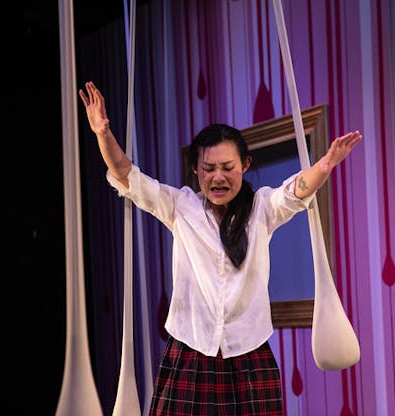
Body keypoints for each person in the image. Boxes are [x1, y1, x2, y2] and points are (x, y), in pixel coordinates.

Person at [79, 81, 362, 415]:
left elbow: (295, 192)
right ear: (196, 170)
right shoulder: (180, 207)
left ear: (244, 164)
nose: (218, 178)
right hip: (190, 350)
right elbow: (127, 175)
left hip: (249, 355)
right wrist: (102, 132)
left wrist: (325, 164)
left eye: (228, 168)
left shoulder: (261, 208)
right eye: (209, 169)